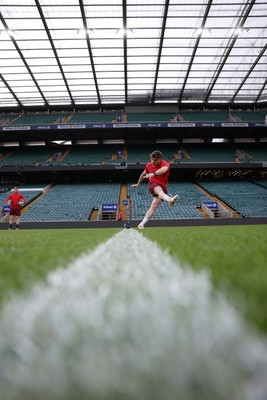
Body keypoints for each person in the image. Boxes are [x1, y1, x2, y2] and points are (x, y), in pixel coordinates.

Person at [132, 150, 179, 229]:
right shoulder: (148, 165)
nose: (153, 161)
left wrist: (153, 173)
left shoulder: (165, 164)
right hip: (153, 184)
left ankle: (141, 224)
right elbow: (143, 174)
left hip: (164, 186)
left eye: (155, 160)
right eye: (152, 159)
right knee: (158, 189)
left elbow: (163, 170)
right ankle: (170, 199)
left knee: (154, 206)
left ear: (160, 159)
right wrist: (138, 184)